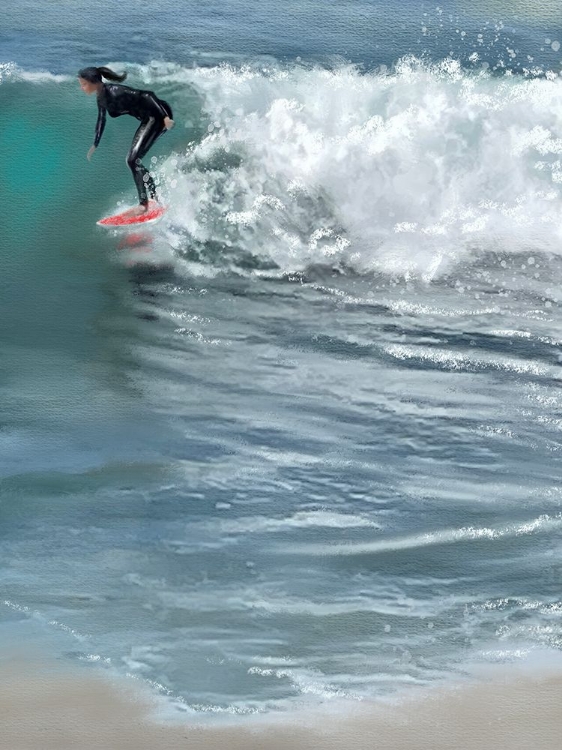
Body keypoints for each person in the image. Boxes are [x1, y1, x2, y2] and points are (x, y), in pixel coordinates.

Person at [78, 66, 174, 215]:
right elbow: (101, 120)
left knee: (132, 160)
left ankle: (144, 204)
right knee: (134, 160)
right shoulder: (101, 97)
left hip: (158, 115)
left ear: (94, 82)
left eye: (83, 84)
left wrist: (165, 117)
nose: (82, 88)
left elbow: (147, 95)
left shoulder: (114, 91)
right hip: (148, 119)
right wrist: (95, 143)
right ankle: (154, 197)